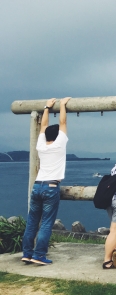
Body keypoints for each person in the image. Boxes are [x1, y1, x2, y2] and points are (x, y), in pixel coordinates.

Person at [22, 97, 71, 265]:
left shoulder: (41, 145)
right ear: (58, 136)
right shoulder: (59, 144)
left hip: (37, 186)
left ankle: (27, 253)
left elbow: (43, 126)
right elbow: (63, 122)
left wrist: (47, 108)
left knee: (32, 222)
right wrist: (63, 105)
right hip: (51, 187)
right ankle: (39, 255)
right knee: (46, 223)